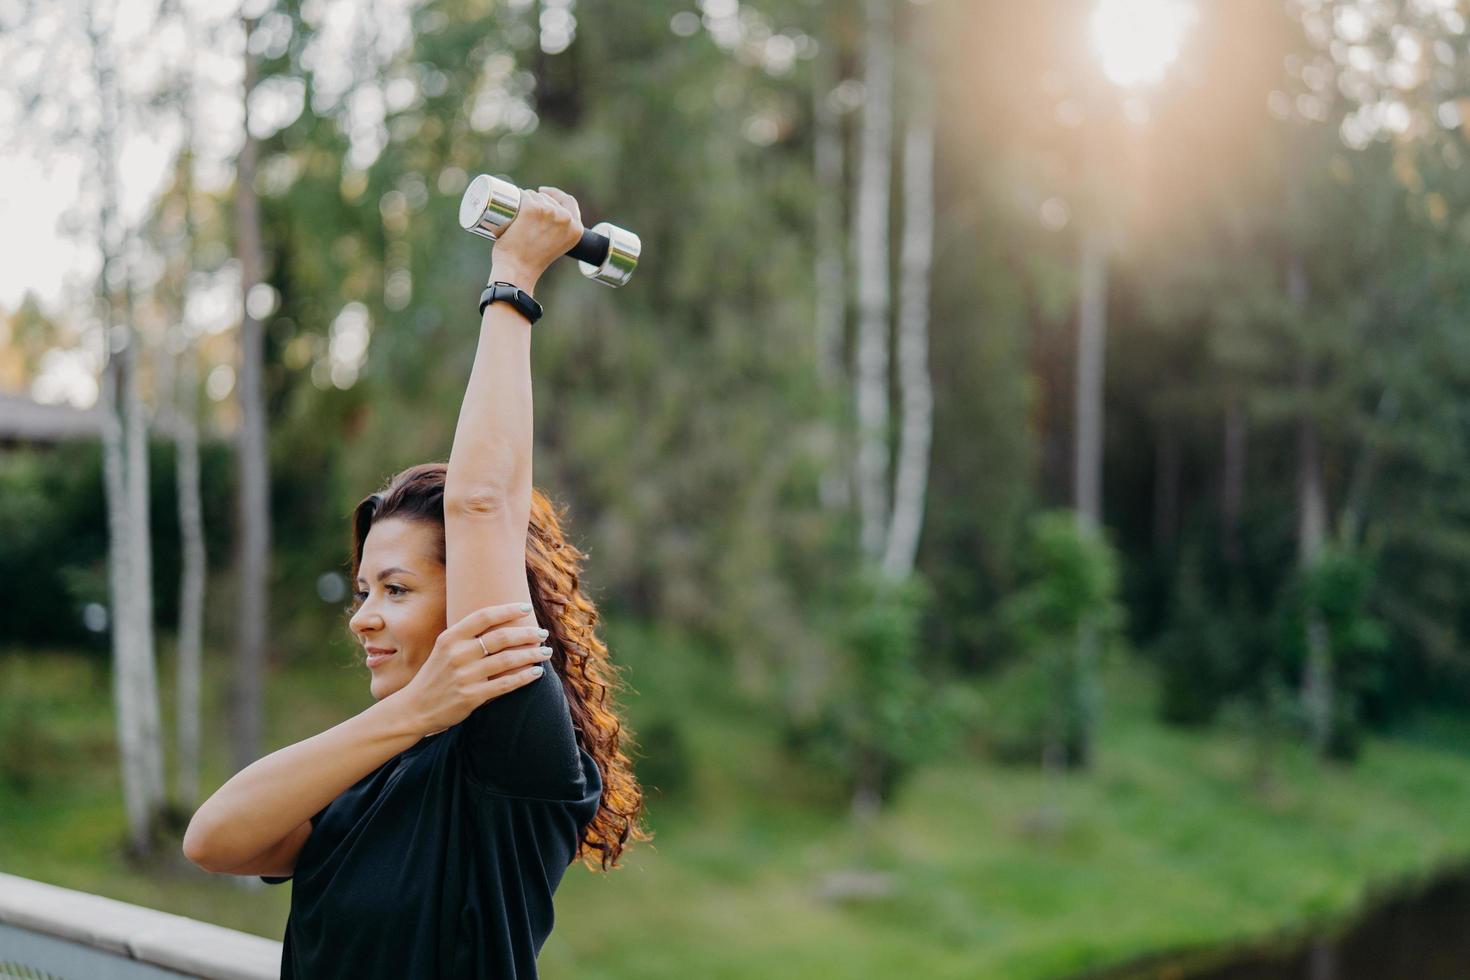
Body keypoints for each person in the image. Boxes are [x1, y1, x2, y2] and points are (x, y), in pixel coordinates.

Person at [182, 185, 650, 978]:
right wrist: (416, 713)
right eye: (364, 592)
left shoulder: (514, 747)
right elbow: (213, 840)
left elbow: (481, 505)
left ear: (469, 598)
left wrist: (514, 276)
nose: (364, 617)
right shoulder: (380, 766)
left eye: (397, 590)